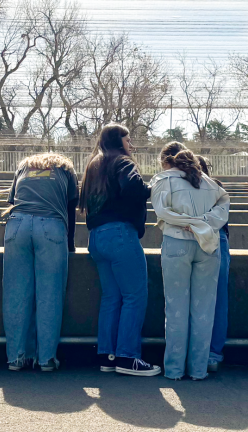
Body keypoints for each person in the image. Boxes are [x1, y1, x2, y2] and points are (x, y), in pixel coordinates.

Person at [80, 124, 160, 377]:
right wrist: (153, 189)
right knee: (135, 296)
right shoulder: (123, 161)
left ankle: (107, 355)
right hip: (120, 235)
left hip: (96, 237)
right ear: (119, 141)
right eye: (128, 139)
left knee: (111, 298)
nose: (131, 145)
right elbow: (134, 189)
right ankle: (127, 357)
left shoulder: (94, 165)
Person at [151, 145, 230, 381]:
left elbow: (161, 211)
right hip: (207, 244)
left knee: (176, 308)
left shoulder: (164, 180)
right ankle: (198, 369)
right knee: (204, 308)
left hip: (177, 243)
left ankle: (174, 369)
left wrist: (188, 222)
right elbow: (224, 205)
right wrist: (202, 223)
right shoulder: (207, 181)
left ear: (167, 161)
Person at [2, 153, 79, 372]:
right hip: (51, 226)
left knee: (15, 294)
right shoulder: (65, 170)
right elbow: (70, 206)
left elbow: (12, 200)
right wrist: (70, 244)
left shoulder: (24, 167)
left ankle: (15, 358)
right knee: (50, 295)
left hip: (16, 225)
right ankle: (46, 359)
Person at [196, 155, 231, 373]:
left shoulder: (184, 189)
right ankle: (212, 353)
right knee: (218, 298)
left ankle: (198, 352)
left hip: (197, 238)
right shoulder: (216, 187)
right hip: (218, 239)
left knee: (192, 299)